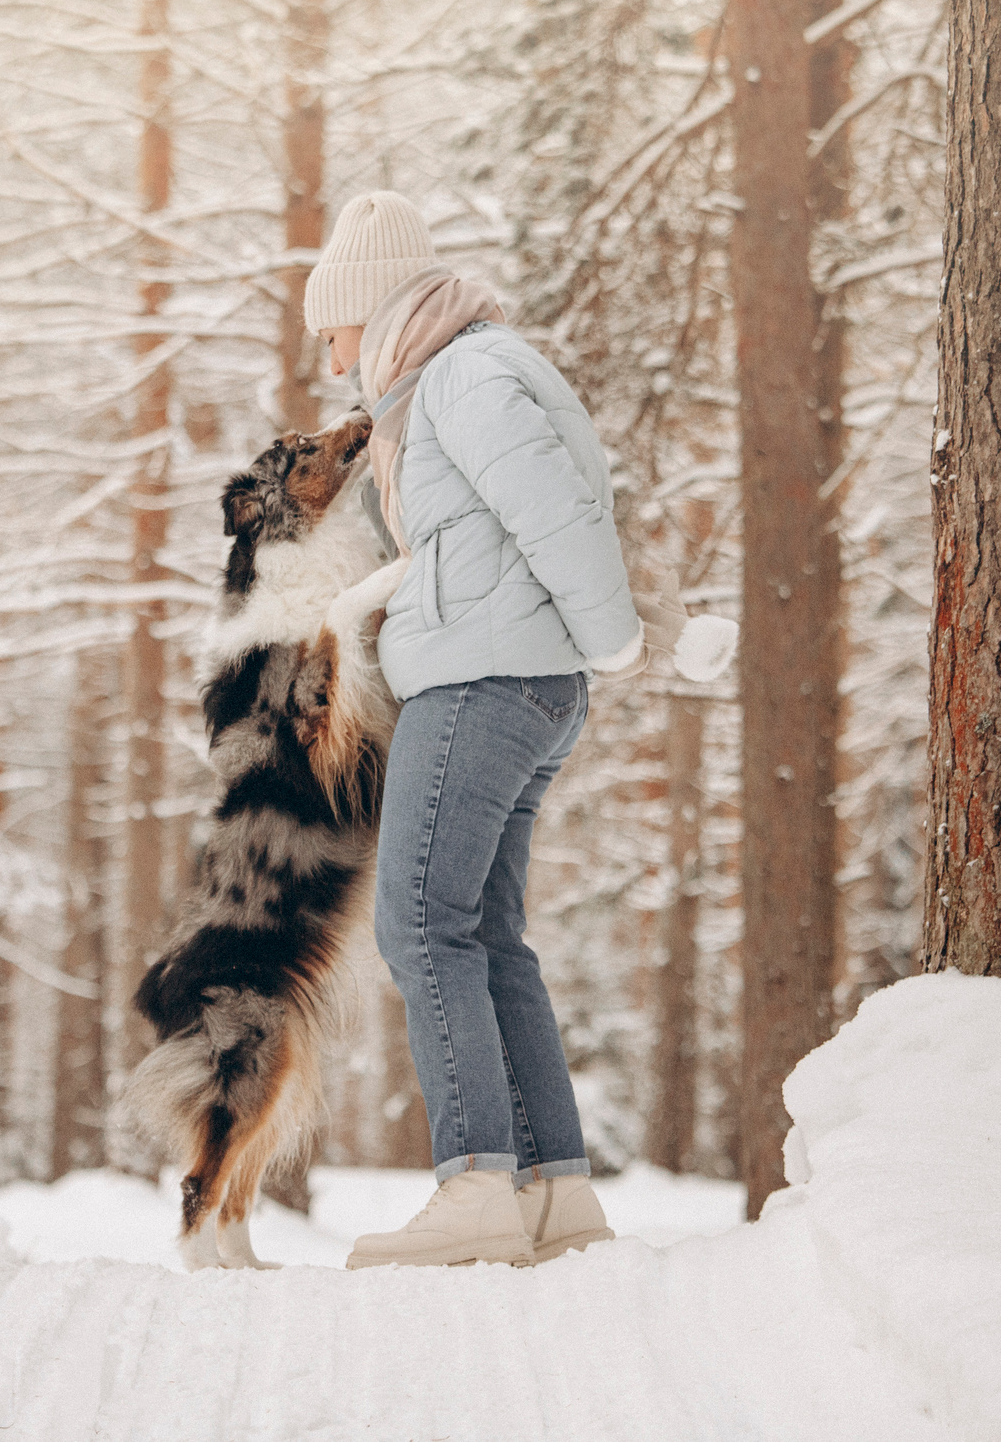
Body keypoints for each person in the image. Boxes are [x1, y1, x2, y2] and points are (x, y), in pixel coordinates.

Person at [307, 189, 641, 1270]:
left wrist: (614, 636)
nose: (327, 353)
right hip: (514, 681)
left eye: (332, 328)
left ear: (373, 305)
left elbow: (554, 508)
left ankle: (477, 1188)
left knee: (419, 921)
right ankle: (552, 1195)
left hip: (486, 682)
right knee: (487, 934)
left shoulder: (466, 374)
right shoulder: (446, 381)